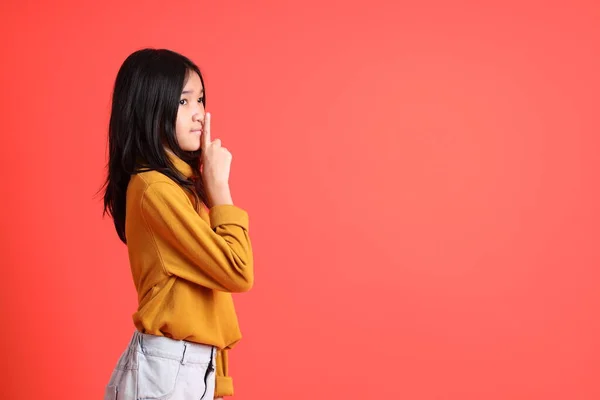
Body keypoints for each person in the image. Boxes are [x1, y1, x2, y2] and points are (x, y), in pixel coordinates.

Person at [101, 48, 254, 400]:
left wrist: (219, 384)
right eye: (184, 101)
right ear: (149, 108)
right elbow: (237, 270)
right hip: (167, 371)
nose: (199, 113)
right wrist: (220, 190)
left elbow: (211, 300)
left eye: (200, 99)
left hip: (186, 369)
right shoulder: (155, 189)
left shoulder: (179, 188)